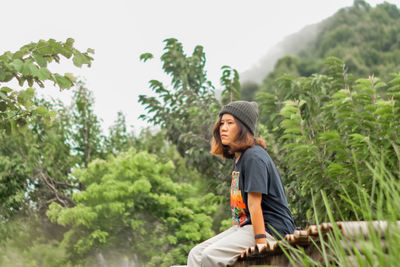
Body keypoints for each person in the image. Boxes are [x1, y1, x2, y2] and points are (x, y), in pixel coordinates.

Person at [187, 101, 296, 267]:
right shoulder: (240, 157)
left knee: (210, 256)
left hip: (271, 228)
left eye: (230, 123)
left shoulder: (254, 157)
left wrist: (261, 243)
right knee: (196, 254)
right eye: (222, 123)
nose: (223, 128)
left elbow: (254, 204)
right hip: (248, 226)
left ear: (243, 127)